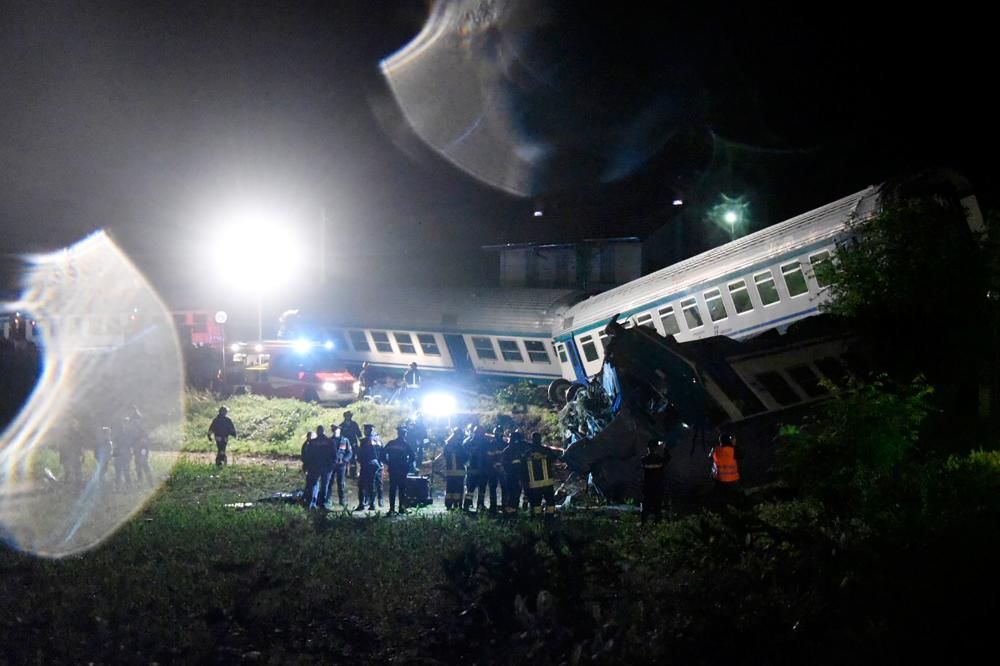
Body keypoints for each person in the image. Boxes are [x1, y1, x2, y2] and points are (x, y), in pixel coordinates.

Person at [523, 433, 561, 516]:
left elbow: (523, 470)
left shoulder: (527, 454)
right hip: (548, 483)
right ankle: (549, 521)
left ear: (532, 440)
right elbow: (556, 459)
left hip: (534, 484)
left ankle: (538, 522)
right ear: (540, 439)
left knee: (536, 504)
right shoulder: (547, 451)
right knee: (550, 502)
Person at [383, 425, 415, 514]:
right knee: (401, 489)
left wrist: (388, 463)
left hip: (394, 469)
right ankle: (400, 508)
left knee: (393, 489)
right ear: (404, 434)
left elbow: (382, 454)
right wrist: (407, 464)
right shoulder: (405, 444)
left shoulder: (391, 443)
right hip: (401, 469)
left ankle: (393, 509)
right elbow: (413, 457)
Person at [303, 425, 336, 510]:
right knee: (322, 485)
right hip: (322, 467)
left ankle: (314, 503)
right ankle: (321, 503)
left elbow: (309, 455)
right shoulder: (329, 441)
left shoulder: (314, 442)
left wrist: (307, 465)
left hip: (318, 466)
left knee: (317, 485)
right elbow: (333, 455)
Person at [438, 427, 468, 509]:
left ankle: (449, 505)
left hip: (450, 471)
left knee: (450, 489)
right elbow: (465, 458)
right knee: (458, 490)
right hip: (459, 472)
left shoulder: (448, 446)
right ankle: (457, 505)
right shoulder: (460, 446)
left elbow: (445, 456)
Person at [501, 430, 529, 515]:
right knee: (514, 495)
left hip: (513, 477)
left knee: (514, 495)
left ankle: (512, 513)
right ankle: (512, 513)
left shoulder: (507, 450)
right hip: (514, 477)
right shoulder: (521, 450)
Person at [641, 439, 669, 522]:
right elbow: (667, 458)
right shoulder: (659, 459)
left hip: (649, 487)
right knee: (656, 507)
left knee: (647, 507)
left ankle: (644, 523)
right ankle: (656, 523)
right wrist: (665, 448)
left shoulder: (644, 459)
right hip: (656, 486)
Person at [710, 432, 741, 505]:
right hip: (733, 479)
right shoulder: (733, 450)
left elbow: (710, 456)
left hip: (720, 479)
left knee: (722, 498)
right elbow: (741, 454)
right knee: (735, 497)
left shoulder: (715, 449)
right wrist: (734, 445)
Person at [355, 424, 380, 511]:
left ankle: (364, 504)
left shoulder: (366, 441)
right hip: (372, 464)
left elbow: (361, 453)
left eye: (366, 430)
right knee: (370, 484)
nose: (365, 431)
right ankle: (370, 504)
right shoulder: (377, 441)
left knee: (364, 485)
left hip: (368, 464)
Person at [328, 424, 353, 507]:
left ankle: (342, 500)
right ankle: (327, 499)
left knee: (341, 483)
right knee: (329, 482)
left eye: (337, 430)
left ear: (339, 430)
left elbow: (350, 452)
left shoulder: (345, 440)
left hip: (341, 465)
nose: (335, 431)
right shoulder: (329, 441)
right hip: (331, 465)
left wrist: (345, 460)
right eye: (334, 430)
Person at [462, 424, 480, 511]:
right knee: (470, 488)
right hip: (473, 468)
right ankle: (467, 504)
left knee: (476, 488)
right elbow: (465, 455)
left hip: (479, 468)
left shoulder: (468, 441)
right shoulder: (468, 442)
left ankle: (471, 504)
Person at [339, 410, 363, 479]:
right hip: (344, 445)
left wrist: (361, 442)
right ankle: (345, 473)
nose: (348, 417)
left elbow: (358, 433)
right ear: (345, 416)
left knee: (353, 460)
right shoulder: (341, 425)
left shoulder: (354, 424)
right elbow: (339, 435)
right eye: (347, 415)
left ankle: (353, 474)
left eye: (349, 416)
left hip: (353, 444)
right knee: (345, 458)